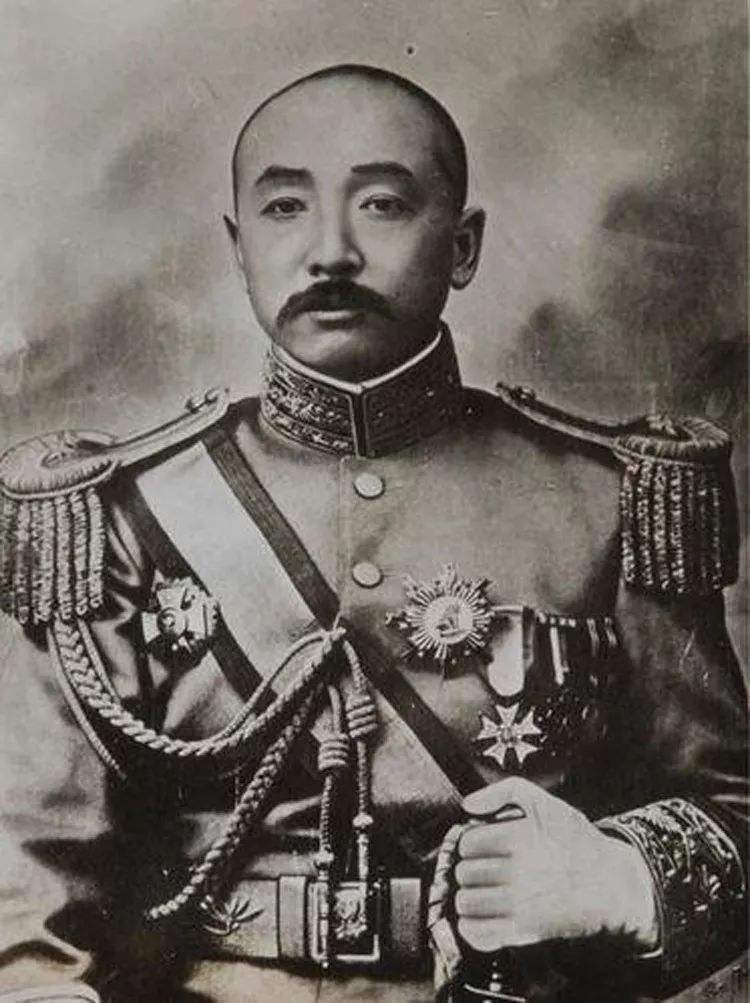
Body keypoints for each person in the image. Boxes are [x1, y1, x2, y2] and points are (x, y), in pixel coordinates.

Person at [0, 64, 746, 1003]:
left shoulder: (609, 499)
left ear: (463, 246)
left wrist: (615, 877)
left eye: (383, 204)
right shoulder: (118, 515)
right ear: (237, 247)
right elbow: (27, 873)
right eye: (284, 208)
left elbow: (733, 814)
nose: (331, 252)